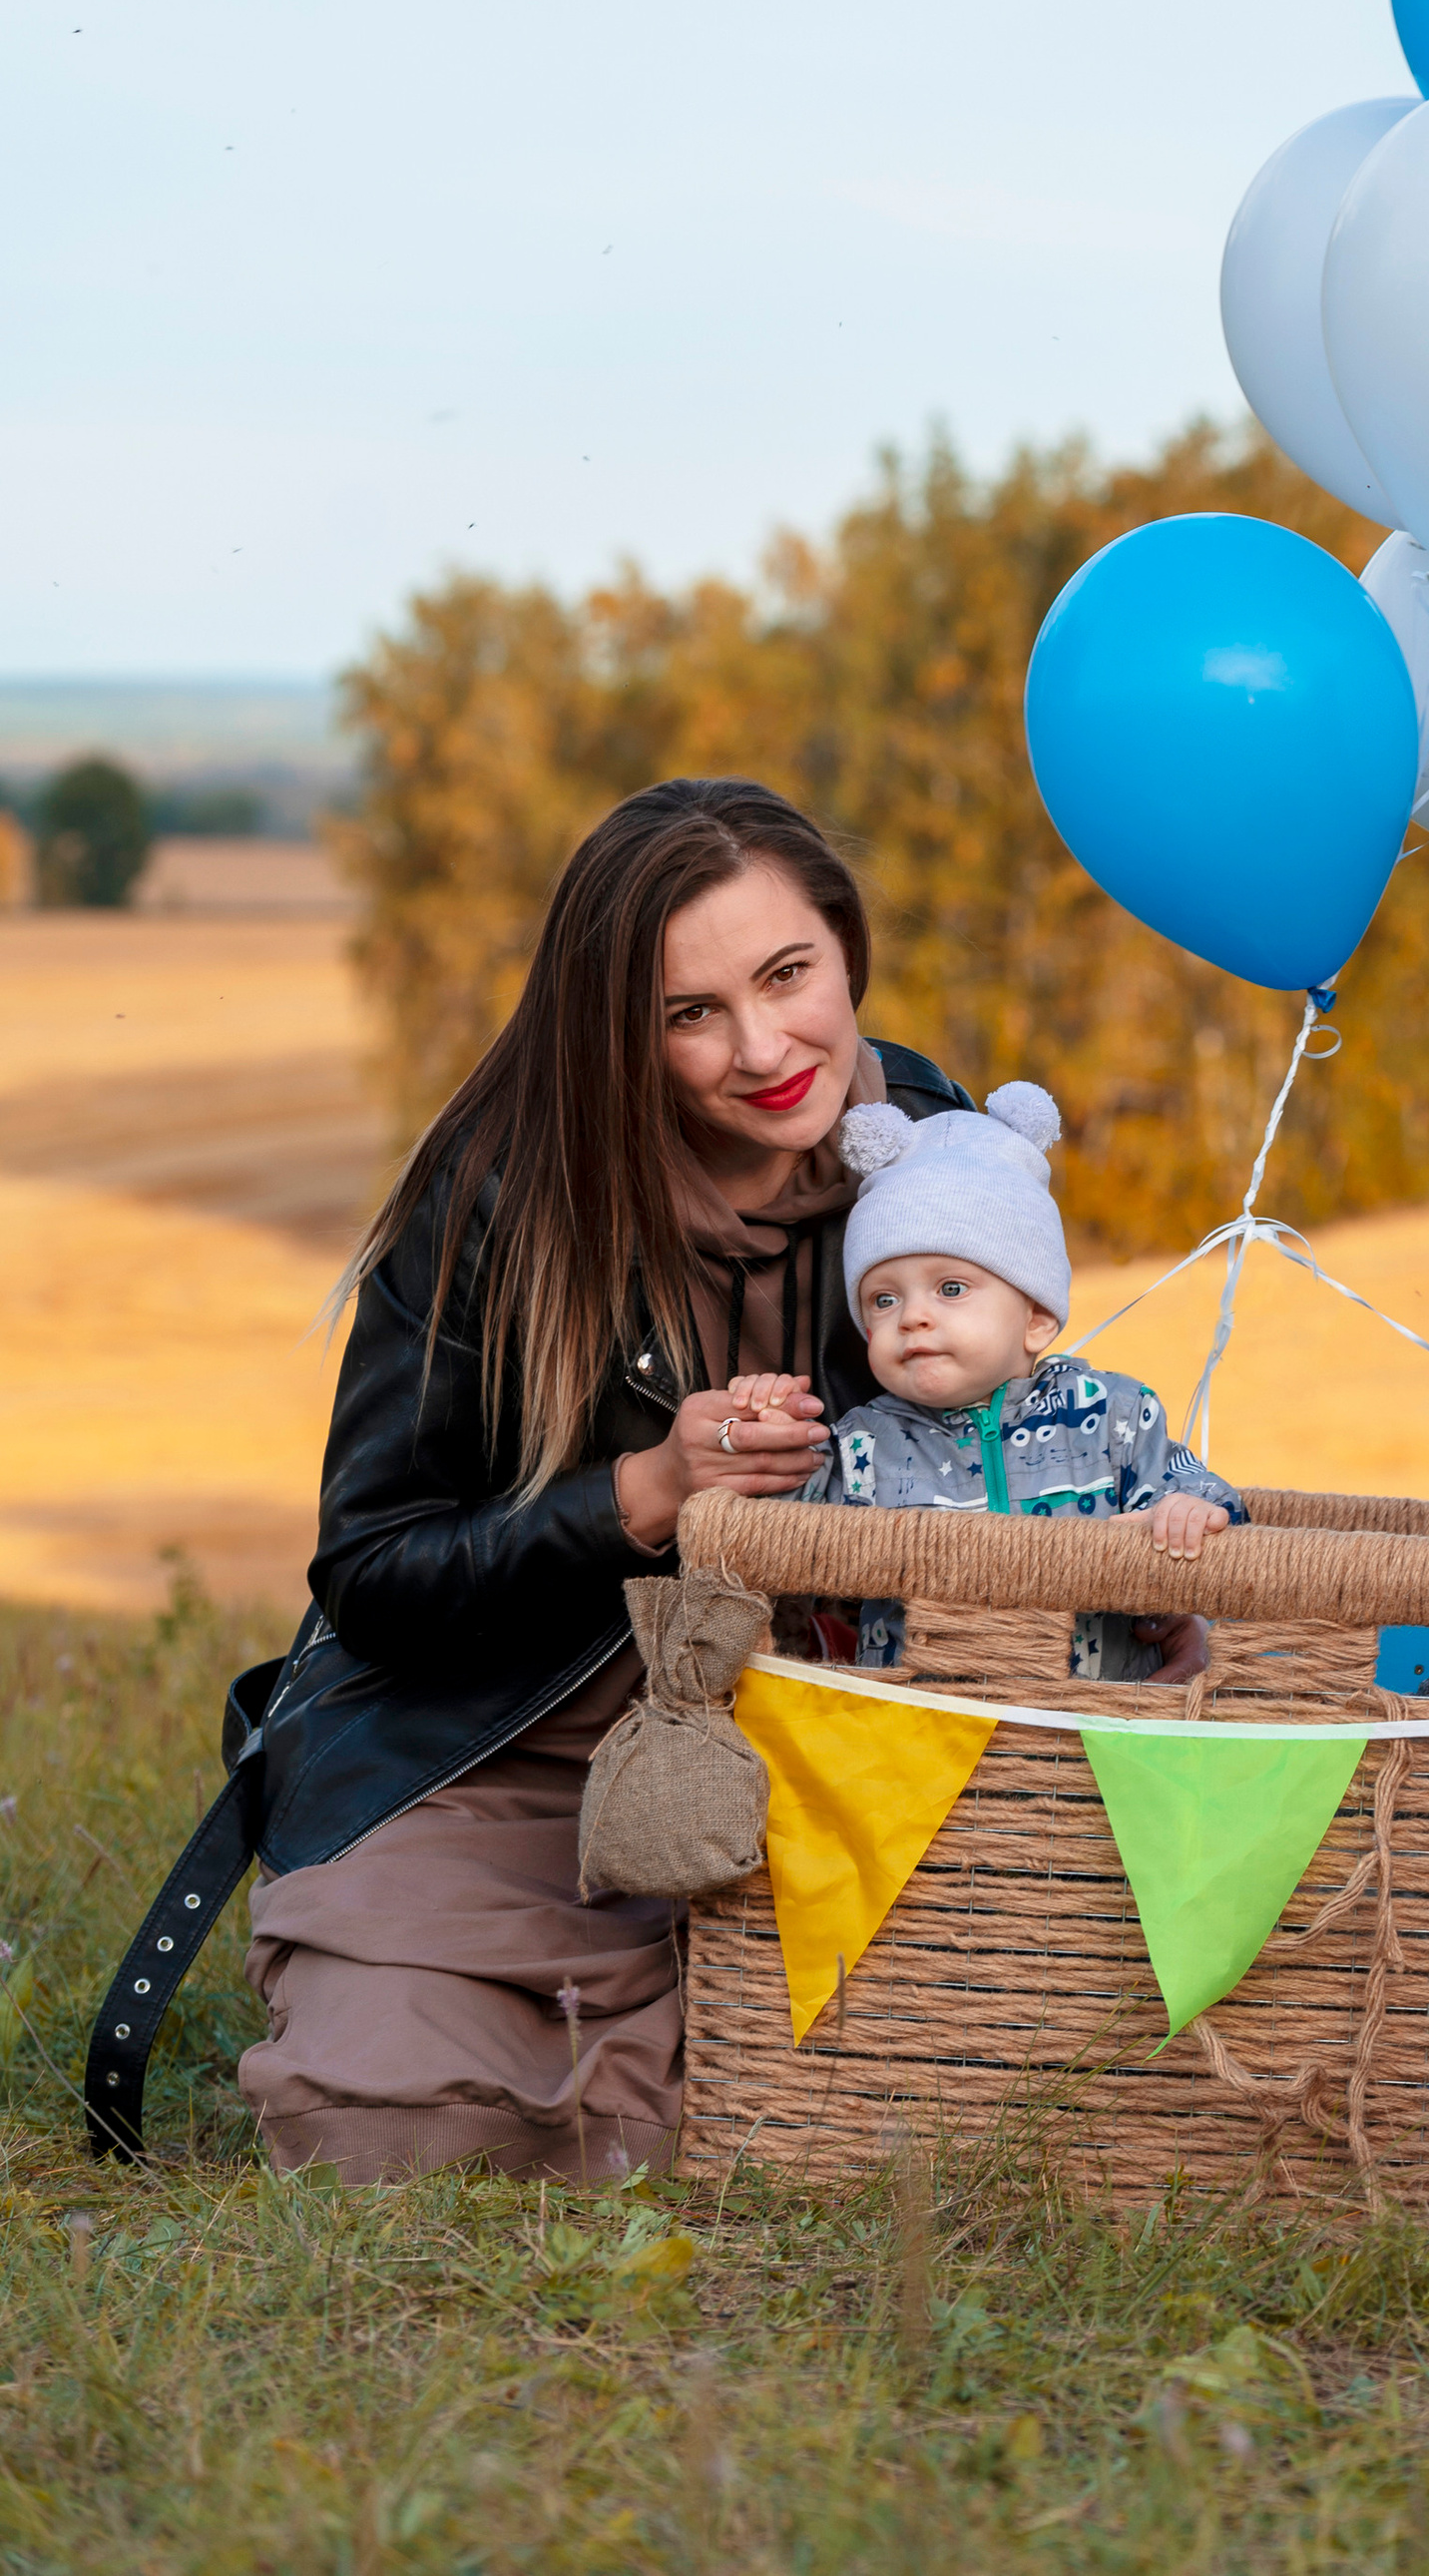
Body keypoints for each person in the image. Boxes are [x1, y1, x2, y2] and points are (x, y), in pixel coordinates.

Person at [235, 775, 1202, 2187]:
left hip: (815, 1730)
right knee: (386, 2123)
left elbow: (1020, 1428)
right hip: (500, 1749)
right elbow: (375, 1576)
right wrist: (640, 1493)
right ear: (617, 1030)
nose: (765, 1047)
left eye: (789, 974)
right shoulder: (503, 1193)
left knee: (892, 2101)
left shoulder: (925, 1135)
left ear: (846, 947)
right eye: (691, 1012)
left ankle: (698, 2039)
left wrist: (1133, 1563)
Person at [763, 1077, 1244, 1679]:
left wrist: (1189, 1509)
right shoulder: (862, 1445)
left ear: (1036, 1319)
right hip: (924, 1731)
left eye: (952, 1288)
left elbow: (1204, 1494)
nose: (912, 1315)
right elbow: (781, 1543)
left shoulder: (1112, 1416)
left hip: (1093, 1726)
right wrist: (778, 1433)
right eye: (883, 1300)